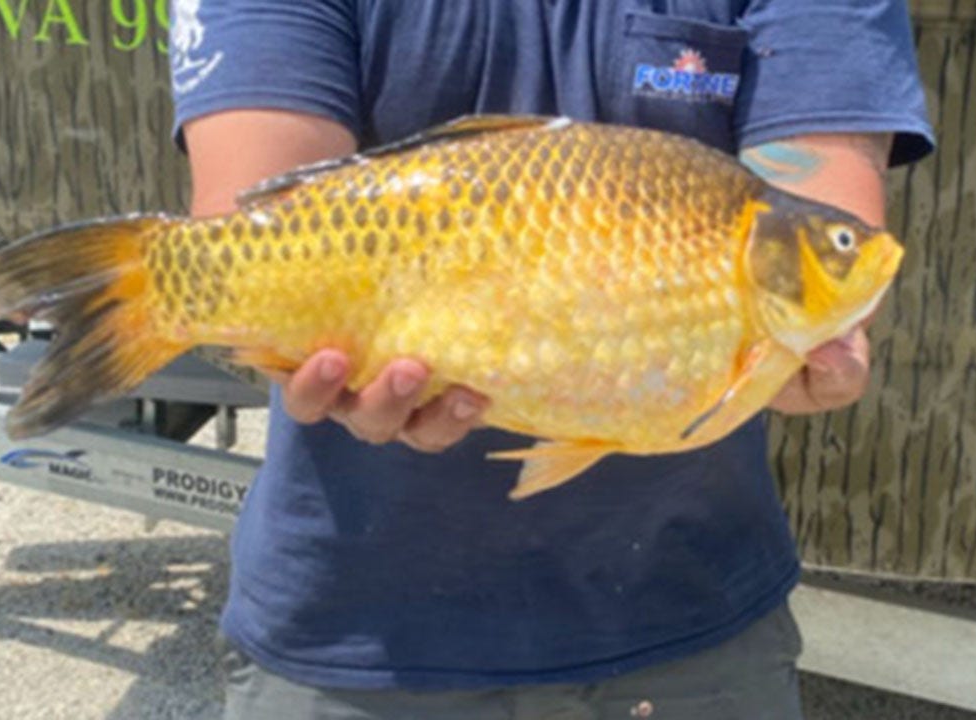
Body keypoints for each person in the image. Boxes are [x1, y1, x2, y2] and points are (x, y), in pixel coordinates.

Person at [170, 1, 934, 717]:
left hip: (690, 620)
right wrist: (285, 336)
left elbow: (825, 197)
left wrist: (813, 343)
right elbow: (256, 217)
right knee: (202, 276)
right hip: (351, 634)